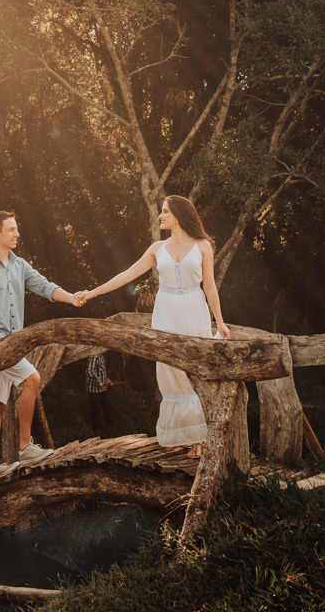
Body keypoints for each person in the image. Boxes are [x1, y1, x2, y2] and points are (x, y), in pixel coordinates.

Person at [77, 196, 230, 458]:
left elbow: (210, 286)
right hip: (166, 312)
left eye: (165, 211)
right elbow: (126, 275)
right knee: (170, 372)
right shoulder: (157, 248)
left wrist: (220, 320)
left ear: (180, 215)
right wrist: (92, 293)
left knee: (193, 370)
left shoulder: (203, 246)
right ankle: (179, 437)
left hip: (194, 310)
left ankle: (199, 440)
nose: (160, 216)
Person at [0, 209, 84, 479]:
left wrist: (71, 297)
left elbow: (45, 286)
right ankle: (25, 448)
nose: (17, 234)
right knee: (32, 379)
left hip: (14, 341)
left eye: (17, 229)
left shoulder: (20, 266)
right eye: (11, 230)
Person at [85, 352, 113, 433]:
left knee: (107, 405)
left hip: (102, 388)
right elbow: (90, 371)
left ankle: (110, 425)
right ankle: (95, 429)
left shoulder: (101, 356)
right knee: (95, 408)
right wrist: (99, 381)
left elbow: (101, 371)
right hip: (94, 389)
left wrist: (107, 379)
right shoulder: (94, 356)